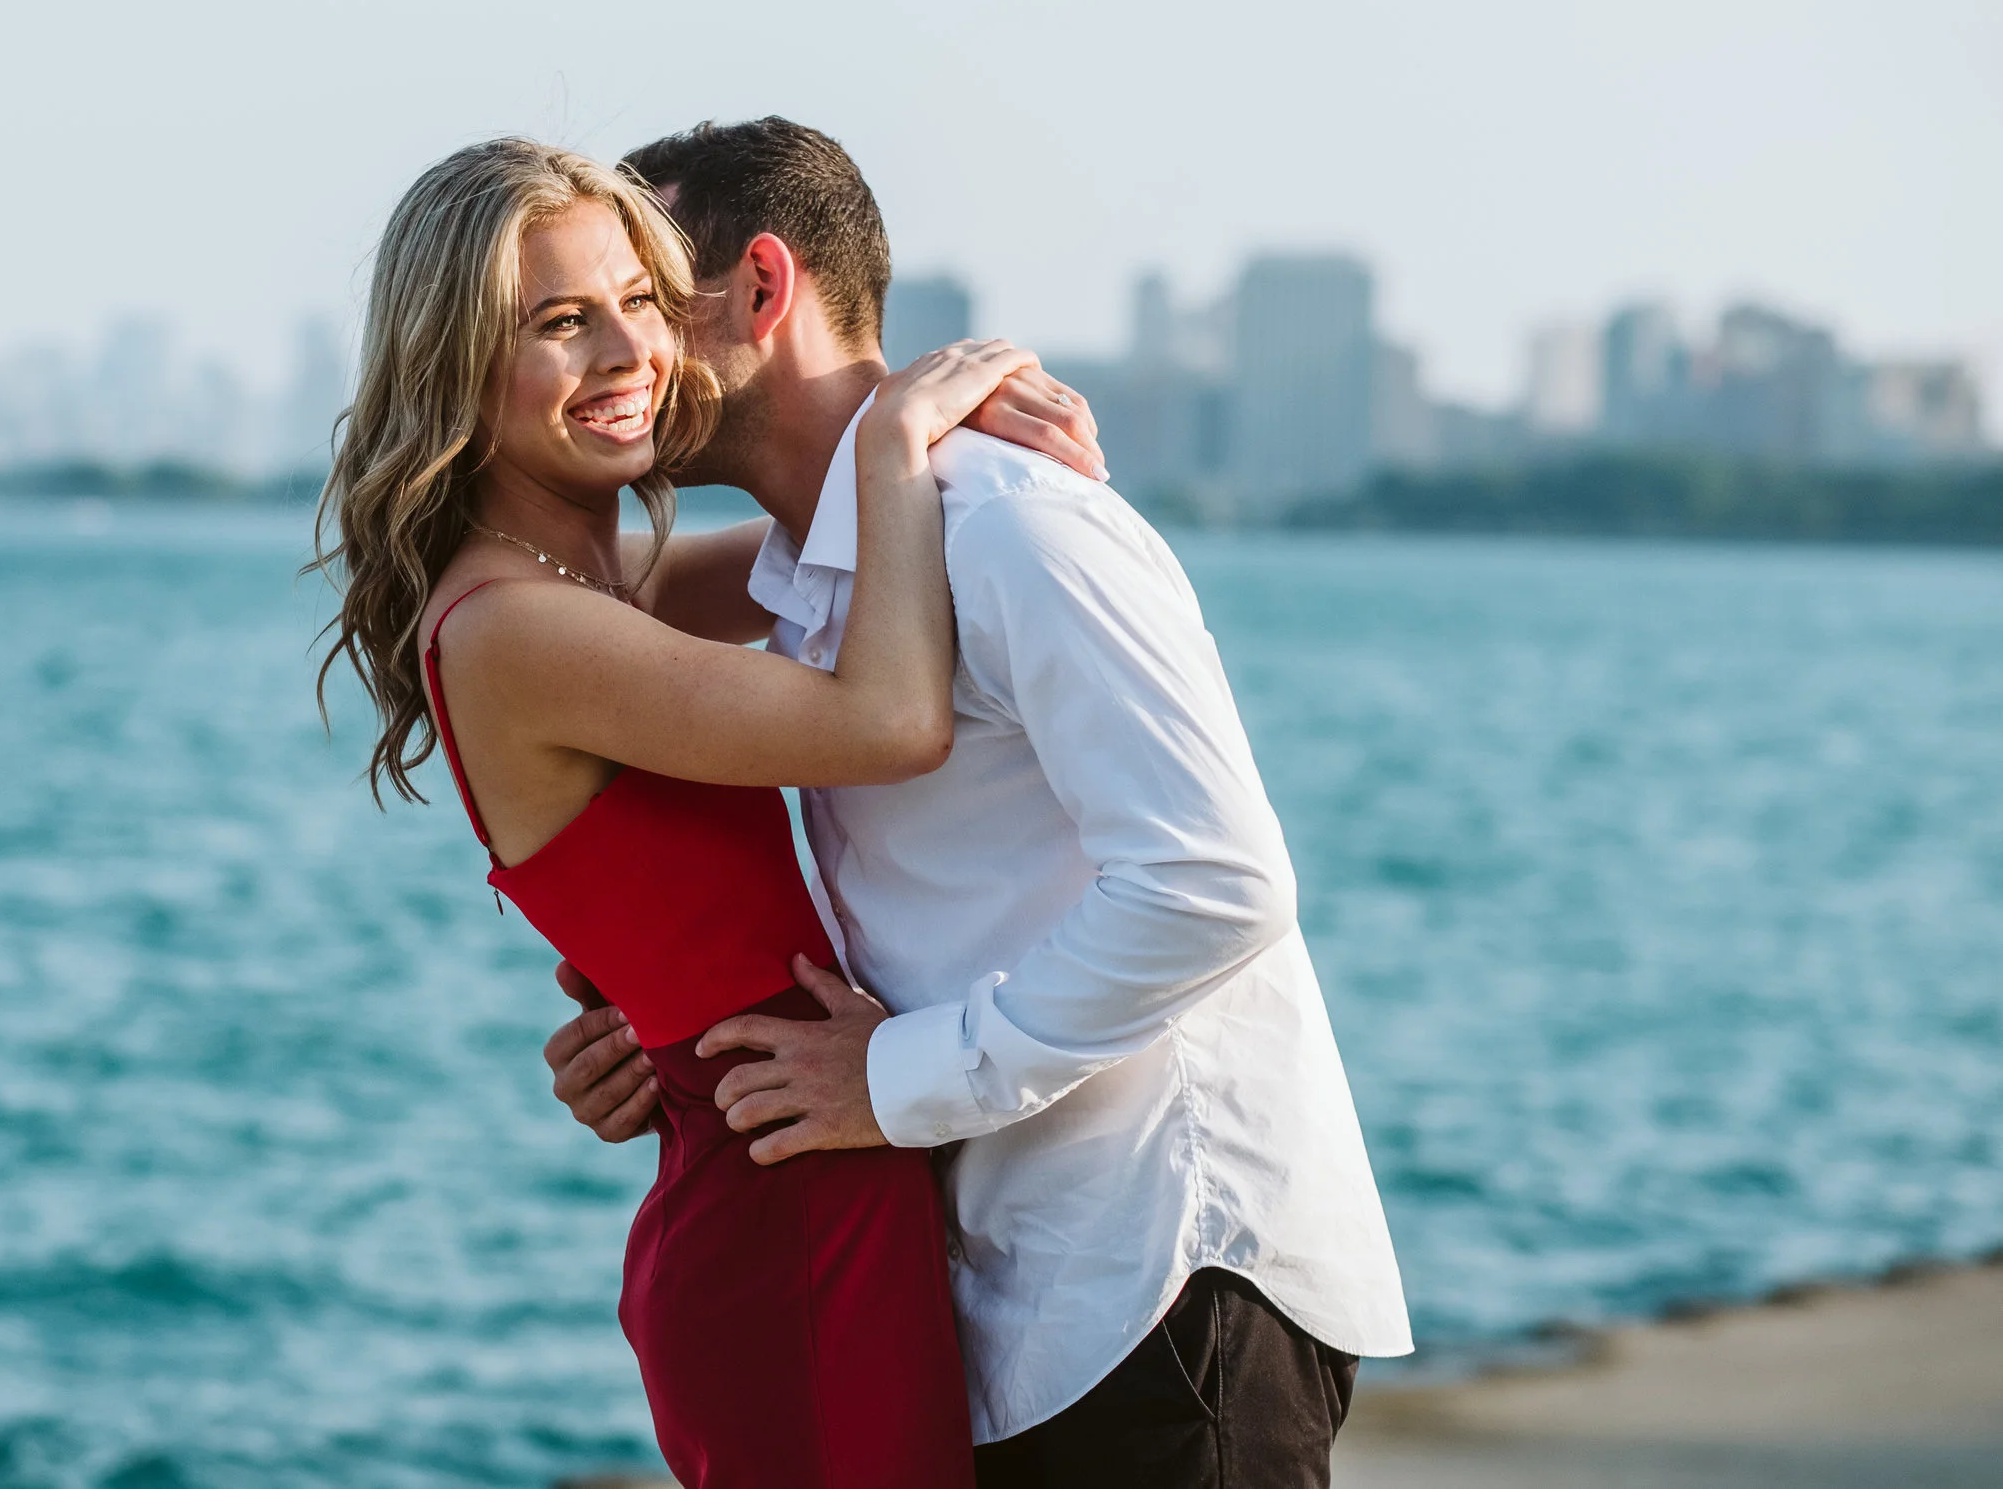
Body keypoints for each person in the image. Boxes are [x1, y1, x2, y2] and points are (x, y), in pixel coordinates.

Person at [545, 117, 1415, 1488]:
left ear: (762, 290)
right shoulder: (810, 572)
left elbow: (1216, 882)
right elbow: (553, 614)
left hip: (1165, 1283)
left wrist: (888, 1081)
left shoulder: (1012, 523)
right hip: (1016, 1296)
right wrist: (658, 1048)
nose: (623, 356)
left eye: (649, 300)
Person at [313, 138, 1105, 1489]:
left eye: (642, 300)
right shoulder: (517, 624)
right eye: (562, 322)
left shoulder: (593, 584)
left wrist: (1008, 467)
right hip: (782, 1210)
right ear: (451, 362)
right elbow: (890, 721)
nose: (629, 350)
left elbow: (827, 553)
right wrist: (901, 436)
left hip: (810, 1157)